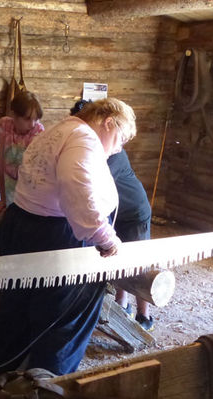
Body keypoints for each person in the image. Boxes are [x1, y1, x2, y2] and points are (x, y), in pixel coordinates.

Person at [0, 98, 136, 376]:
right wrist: (104, 237)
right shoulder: (83, 138)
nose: (118, 148)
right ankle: (44, 388)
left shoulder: (59, 130)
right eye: (121, 138)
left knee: (17, 309)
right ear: (109, 122)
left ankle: (7, 376)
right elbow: (76, 186)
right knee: (64, 319)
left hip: (23, 224)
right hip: (57, 235)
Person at [71, 100, 154, 331]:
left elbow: (92, 186)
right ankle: (121, 306)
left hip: (135, 211)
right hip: (114, 213)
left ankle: (144, 317)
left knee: (139, 265)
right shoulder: (88, 147)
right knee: (117, 260)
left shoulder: (112, 153)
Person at [0, 90, 45, 207]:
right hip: (9, 184)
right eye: (27, 119)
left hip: (28, 190)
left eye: (36, 119)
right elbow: (0, 164)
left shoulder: (37, 131)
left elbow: (33, 173)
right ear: (14, 115)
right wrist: (2, 199)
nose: (32, 124)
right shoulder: (5, 125)